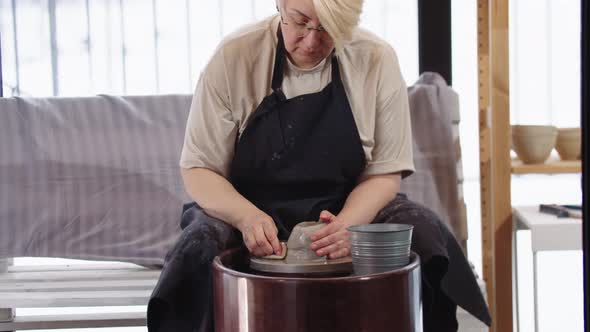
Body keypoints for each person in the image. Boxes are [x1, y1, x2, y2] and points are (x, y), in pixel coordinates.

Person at [147, 0, 490, 331]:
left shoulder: (376, 58)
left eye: (328, 29)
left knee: (423, 233)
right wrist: (247, 217)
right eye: (299, 21)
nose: (311, 41)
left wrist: (349, 225)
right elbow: (199, 169)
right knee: (198, 247)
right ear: (279, 4)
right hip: (248, 211)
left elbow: (384, 173)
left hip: (343, 206)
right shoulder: (235, 56)